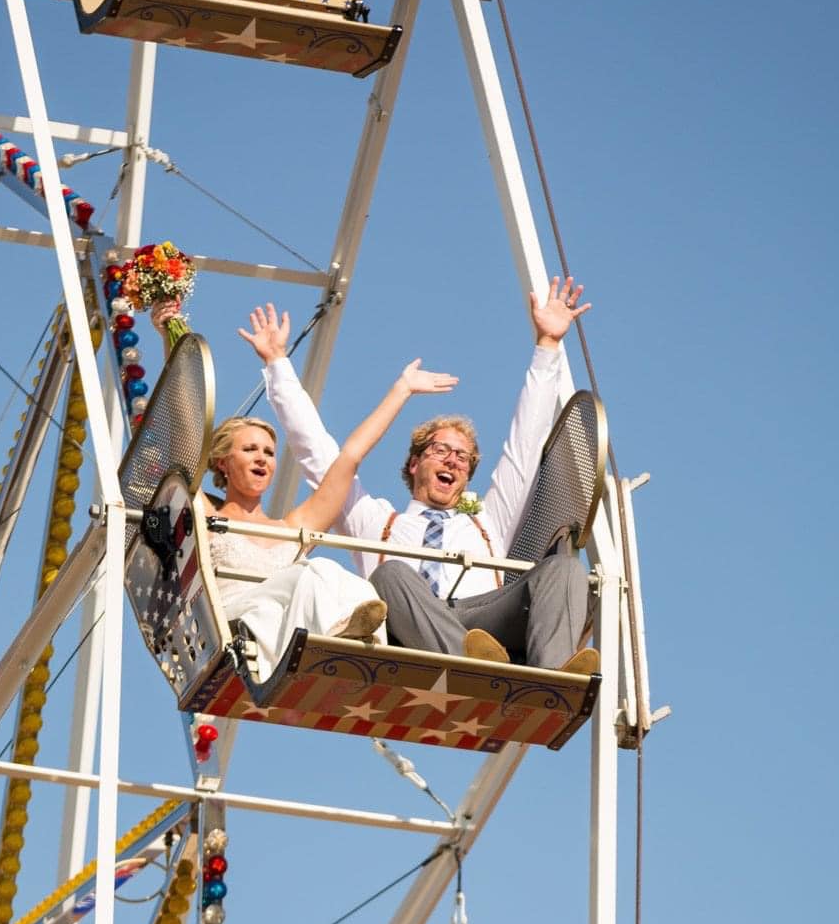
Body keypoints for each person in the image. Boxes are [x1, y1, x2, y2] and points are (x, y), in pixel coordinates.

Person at [240, 278, 598, 674]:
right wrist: (277, 364)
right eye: (441, 450)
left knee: (564, 569)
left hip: (483, 626)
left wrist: (548, 345)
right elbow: (320, 454)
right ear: (414, 463)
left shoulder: (489, 521)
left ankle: (549, 681)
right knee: (391, 573)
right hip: (409, 629)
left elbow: (524, 445)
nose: (453, 461)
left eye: (463, 457)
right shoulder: (375, 520)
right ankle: (469, 668)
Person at [201, 357, 457, 679]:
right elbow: (180, 445)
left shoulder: (291, 528)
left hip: (286, 621)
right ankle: (338, 639)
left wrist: (401, 390)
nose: (262, 458)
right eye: (250, 449)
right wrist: (176, 345)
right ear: (223, 462)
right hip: (238, 624)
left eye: (269, 452)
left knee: (357, 583)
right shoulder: (207, 516)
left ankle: (366, 652)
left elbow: (350, 458)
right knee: (314, 570)